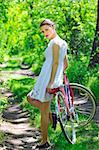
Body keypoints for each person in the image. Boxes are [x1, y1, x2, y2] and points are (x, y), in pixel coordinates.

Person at [27, 19, 68, 149]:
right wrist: (59, 76)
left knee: (43, 111)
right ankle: (52, 116)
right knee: (30, 98)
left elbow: (56, 63)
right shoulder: (62, 42)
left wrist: (51, 82)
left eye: (46, 30)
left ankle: (44, 142)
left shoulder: (55, 43)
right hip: (48, 78)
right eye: (43, 31)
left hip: (48, 80)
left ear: (53, 27)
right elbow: (65, 64)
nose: (45, 33)